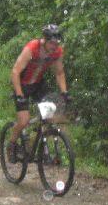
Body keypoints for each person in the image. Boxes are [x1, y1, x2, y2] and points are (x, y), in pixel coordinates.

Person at [7, 24, 69, 159]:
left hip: (38, 85)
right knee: (23, 121)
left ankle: (36, 146)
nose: (54, 46)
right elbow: (15, 72)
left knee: (49, 115)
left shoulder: (57, 52)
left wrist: (64, 93)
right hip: (22, 85)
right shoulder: (32, 48)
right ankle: (11, 144)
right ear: (45, 40)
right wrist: (19, 95)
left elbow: (59, 73)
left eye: (57, 43)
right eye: (52, 43)